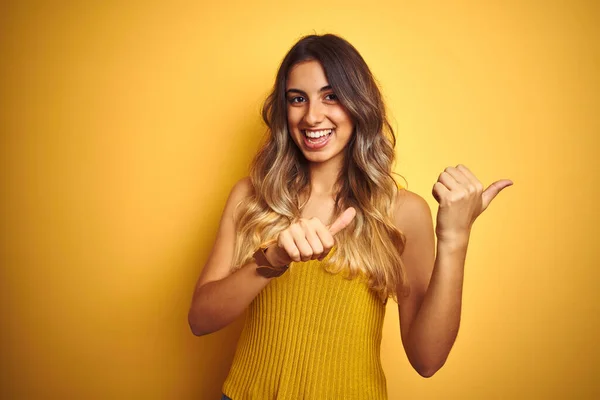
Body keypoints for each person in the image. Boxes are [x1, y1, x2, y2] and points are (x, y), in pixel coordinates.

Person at [187, 33, 513, 400]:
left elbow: (427, 359)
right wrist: (272, 260)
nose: (312, 116)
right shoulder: (251, 196)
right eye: (298, 99)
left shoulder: (401, 212)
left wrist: (455, 239)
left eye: (331, 96)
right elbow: (200, 320)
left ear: (359, 105)